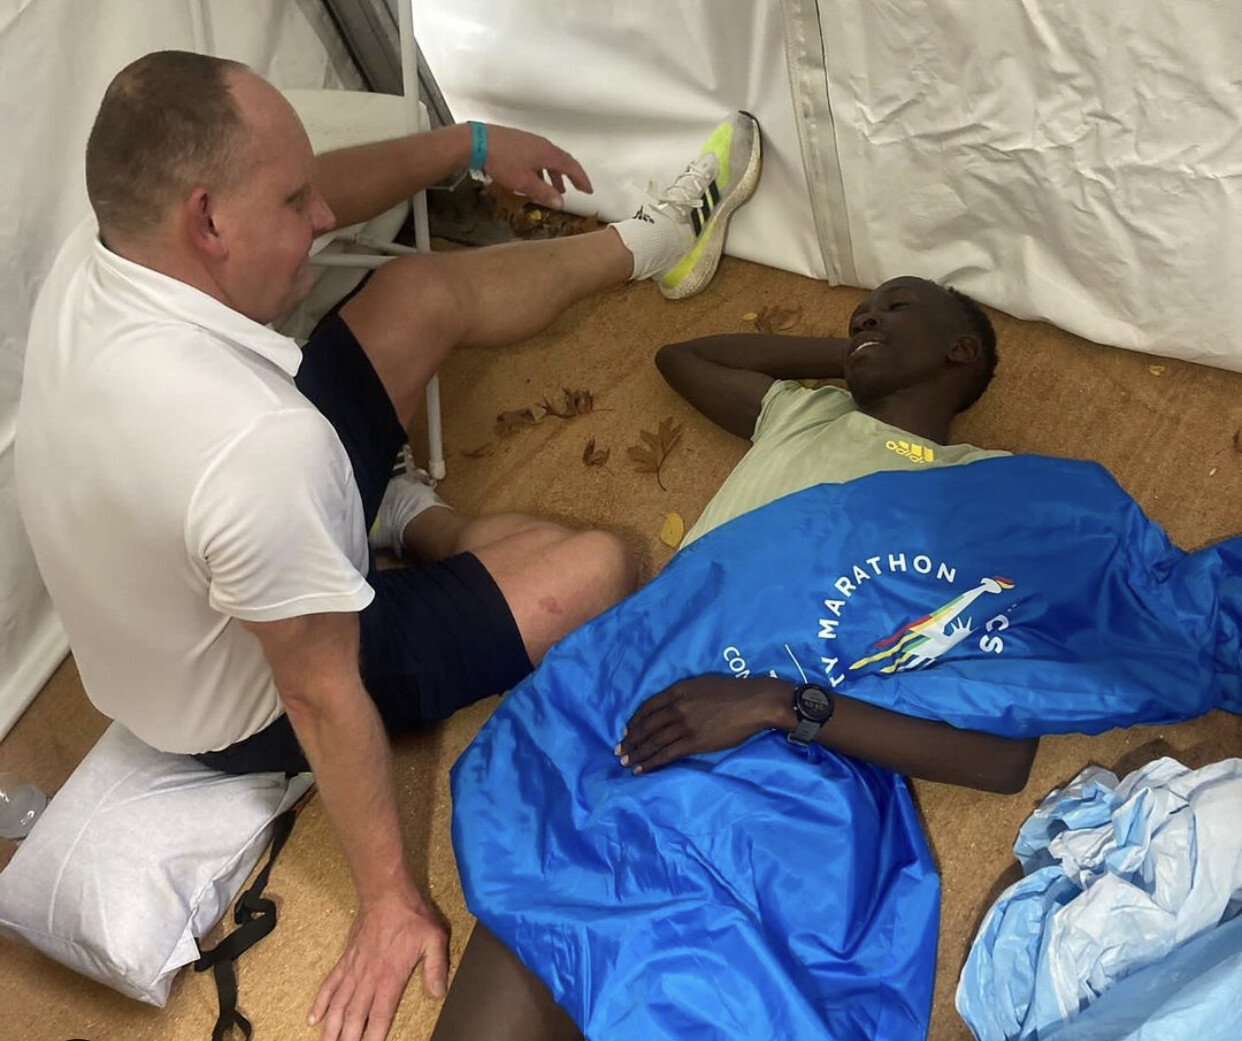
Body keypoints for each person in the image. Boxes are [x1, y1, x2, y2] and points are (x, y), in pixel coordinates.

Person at [14, 51, 762, 1041]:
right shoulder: (252, 448)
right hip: (243, 702)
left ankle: (655, 240)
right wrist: (388, 902)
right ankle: (412, 522)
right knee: (598, 567)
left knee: (413, 292)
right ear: (208, 222)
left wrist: (470, 146)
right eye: (293, 204)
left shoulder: (110, 243)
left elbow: (319, 185)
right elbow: (320, 695)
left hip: (209, 561)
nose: (323, 216)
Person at [421, 277, 1042, 1041]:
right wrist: (849, 354)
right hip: (643, 696)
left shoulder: (990, 491)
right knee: (549, 895)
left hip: (791, 757)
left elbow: (1003, 756)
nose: (868, 313)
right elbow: (682, 356)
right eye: (863, 311)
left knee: (694, 958)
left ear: (961, 349)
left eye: (897, 307)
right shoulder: (803, 413)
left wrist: (777, 704)